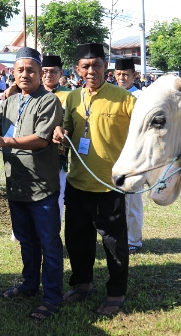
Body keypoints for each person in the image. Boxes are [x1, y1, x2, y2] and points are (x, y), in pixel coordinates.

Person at [0, 47, 63, 321]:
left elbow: (41, 139)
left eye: (31, 70)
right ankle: (30, 284)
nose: (26, 74)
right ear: (13, 74)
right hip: (16, 185)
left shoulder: (49, 101)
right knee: (26, 241)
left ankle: (52, 297)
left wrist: (5, 142)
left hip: (41, 186)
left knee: (49, 244)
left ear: (41, 73)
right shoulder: (9, 102)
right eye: (20, 70)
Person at [52, 43, 136, 317]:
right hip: (77, 183)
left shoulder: (125, 99)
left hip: (109, 185)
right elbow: (67, 129)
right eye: (85, 66)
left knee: (113, 243)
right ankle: (82, 283)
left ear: (105, 67)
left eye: (96, 65)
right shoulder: (73, 98)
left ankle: (116, 292)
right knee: (77, 240)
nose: (91, 71)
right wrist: (60, 135)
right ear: (77, 69)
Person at [113, 58, 144, 254]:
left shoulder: (142, 97)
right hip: (113, 153)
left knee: (132, 200)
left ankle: (134, 240)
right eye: (118, 75)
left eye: (126, 74)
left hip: (134, 155)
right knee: (113, 200)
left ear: (134, 75)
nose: (122, 78)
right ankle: (117, 236)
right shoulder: (111, 95)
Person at [41, 55, 71, 224]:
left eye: (53, 72)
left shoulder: (70, 95)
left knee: (57, 194)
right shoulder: (32, 91)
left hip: (58, 152)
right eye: (44, 72)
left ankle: (53, 233)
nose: (48, 75)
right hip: (34, 151)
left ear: (61, 73)